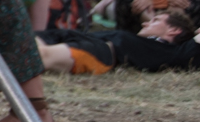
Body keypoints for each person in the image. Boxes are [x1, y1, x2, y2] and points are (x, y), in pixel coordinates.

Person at [37, 10, 199, 75]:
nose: (145, 23)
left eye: (155, 20)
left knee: (41, 56)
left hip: (100, 51)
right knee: (28, 41)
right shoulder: (139, 41)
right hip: (76, 36)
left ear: (174, 30)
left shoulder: (174, 53)